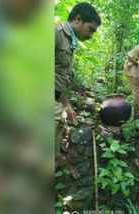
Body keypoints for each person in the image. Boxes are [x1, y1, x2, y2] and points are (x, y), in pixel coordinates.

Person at [55, 2, 101, 168]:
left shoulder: (69, 42)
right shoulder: (56, 34)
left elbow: (60, 77)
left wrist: (66, 106)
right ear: (78, 19)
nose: (91, 36)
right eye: (91, 29)